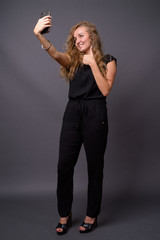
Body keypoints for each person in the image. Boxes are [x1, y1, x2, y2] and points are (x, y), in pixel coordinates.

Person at [33, 15, 117, 235]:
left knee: (94, 168)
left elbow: (105, 90)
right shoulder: (73, 60)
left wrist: (92, 63)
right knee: (64, 166)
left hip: (95, 113)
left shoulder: (108, 60)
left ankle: (91, 215)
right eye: (74, 37)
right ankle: (65, 214)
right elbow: (55, 54)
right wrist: (38, 35)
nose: (77, 40)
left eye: (81, 35)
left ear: (92, 36)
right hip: (72, 114)